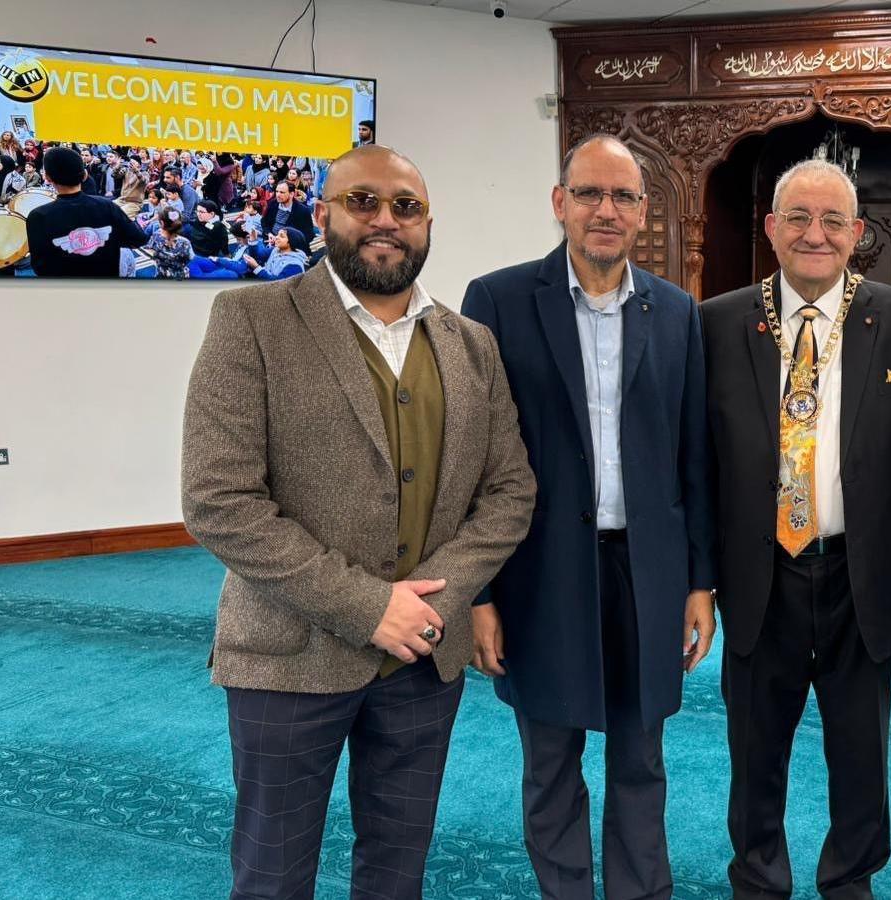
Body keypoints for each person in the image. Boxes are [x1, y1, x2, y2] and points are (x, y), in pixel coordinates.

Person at [181, 144, 537, 900]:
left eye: (404, 207)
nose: (385, 220)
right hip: (288, 657)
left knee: (397, 871)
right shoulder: (253, 319)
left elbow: (510, 492)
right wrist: (369, 606)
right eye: (363, 202)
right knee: (273, 873)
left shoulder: (472, 345)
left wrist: (436, 605)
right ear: (323, 215)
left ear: (427, 223)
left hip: (421, 662)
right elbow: (219, 500)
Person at [459, 134, 716, 900]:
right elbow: (470, 458)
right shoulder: (497, 301)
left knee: (642, 760)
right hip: (539, 573)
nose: (606, 210)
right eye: (590, 194)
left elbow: (691, 455)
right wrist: (479, 595)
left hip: (649, 572)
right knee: (550, 760)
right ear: (560, 203)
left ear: (643, 213)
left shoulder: (676, 312)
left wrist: (699, 583)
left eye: (624, 197)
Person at [701, 158, 891, 900]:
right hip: (759, 568)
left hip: (861, 570)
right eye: (799, 218)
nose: (816, 234)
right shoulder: (716, 321)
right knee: (755, 742)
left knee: (860, 745)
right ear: (772, 230)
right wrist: (698, 576)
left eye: (833, 220)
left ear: (857, 234)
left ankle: (850, 879)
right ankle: (758, 876)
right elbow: (697, 460)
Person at [24, 146, 147, 277]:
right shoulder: (107, 206)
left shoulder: (38, 217)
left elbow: (40, 267)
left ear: (47, 177)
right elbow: (138, 239)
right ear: (84, 175)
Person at [259, 179, 315, 244]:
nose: (278, 195)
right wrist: (269, 234)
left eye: (282, 192)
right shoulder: (273, 204)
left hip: (288, 247)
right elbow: (264, 221)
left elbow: (308, 235)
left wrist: (287, 242)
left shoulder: (302, 211)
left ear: (291, 194)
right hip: (270, 241)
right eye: (277, 191)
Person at [145, 207, 194, 279]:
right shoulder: (185, 242)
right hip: (180, 277)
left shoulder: (156, 236)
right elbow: (190, 258)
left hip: (161, 275)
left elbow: (150, 251)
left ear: (161, 223)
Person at [244, 226, 309, 280]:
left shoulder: (294, 265)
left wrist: (257, 268)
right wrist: (253, 239)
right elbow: (257, 256)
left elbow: (278, 285)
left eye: (282, 236)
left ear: (291, 242)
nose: (276, 237)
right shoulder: (276, 250)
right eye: (277, 234)